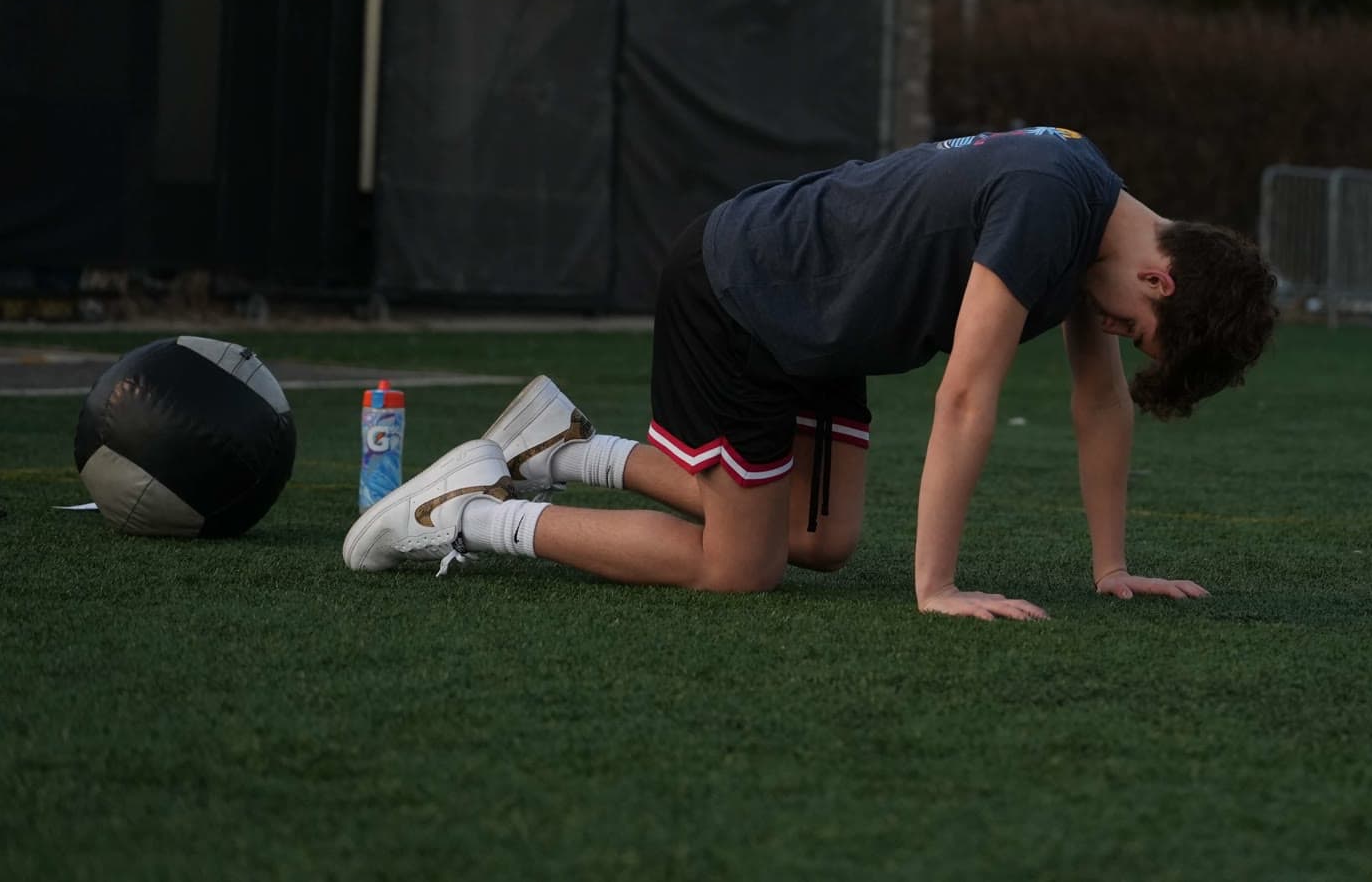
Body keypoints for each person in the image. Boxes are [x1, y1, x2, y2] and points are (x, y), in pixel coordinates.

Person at [343, 126, 1278, 620]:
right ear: (1160, 274)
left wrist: (1112, 568)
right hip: (747, 291)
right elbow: (964, 398)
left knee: (822, 541)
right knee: (739, 569)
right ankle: (461, 512)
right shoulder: (1050, 207)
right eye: (1136, 324)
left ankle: (562, 447)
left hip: (824, 327)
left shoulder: (1096, 229)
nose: (1114, 330)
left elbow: (1099, 401)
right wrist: (936, 587)